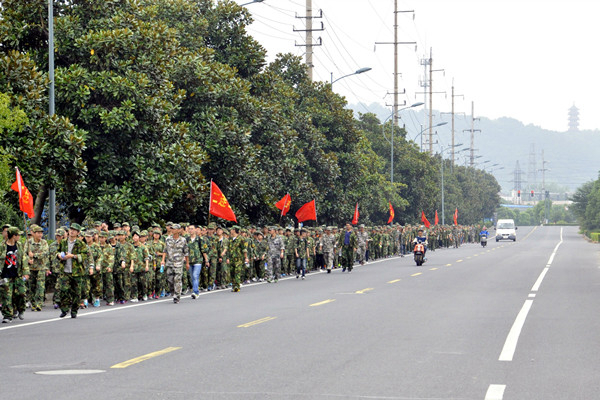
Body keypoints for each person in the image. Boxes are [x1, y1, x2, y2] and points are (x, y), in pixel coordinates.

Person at [56, 223, 90, 318]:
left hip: (77, 272)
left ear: (78, 233)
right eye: (71, 229)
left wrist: (73, 256)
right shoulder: (63, 242)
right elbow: (57, 251)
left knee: (76, 293)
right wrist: (59, 255)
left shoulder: (81, 244)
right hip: (65, 270)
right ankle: (64, 309)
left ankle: (74, 310)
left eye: (74, 230)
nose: (72, 231)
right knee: (63, 290)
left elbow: (84, 256)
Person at [0, 227, 29, 323]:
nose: (20, 237)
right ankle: (7, 315)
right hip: (5, 275)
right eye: (18, 235)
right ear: (13, 236)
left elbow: (24, 259)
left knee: (21, 293)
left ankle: (21, 309)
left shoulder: (19, 245)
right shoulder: (2, 246)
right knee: (6, 296)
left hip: (17, 274)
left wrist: (26, 272)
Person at [161, 224, 189, 303]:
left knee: (177, 279)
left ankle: (177, 296)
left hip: (179, 263)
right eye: (172, 229)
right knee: (170, 280)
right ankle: (173, 292)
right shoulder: (168, 239)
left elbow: (186, 252)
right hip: (169, 263)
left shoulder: (183, 240)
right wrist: (163, 260)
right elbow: (165, 250)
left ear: (178, 230)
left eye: (174, 229)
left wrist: (187, 263)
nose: (172, 230)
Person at [23, 224, 49, 311]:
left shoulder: (44, 242)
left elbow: (45, 253)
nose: (40, 235)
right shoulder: (28, 242)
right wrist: (28, 259)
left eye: (41, 233)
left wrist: (34, 255)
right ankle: (33, 304)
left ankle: (39, 304)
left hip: (41, 267)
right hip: (31, 268)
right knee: (32, 287)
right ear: (33, 233)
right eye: (38, 233)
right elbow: (24, 254)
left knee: (40, 286)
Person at [226, 226, 248, 292]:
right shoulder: (230, 239)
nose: (231, 231)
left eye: (232, 229)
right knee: (232, 272)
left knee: (237, 272)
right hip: (231, 258)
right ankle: (233, 285)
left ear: (235, 230)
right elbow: (228, 249)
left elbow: (244, 249)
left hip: (238, 259)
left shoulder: (241, 239)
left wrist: (246, 258)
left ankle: (237, 286)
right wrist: (227, 258)